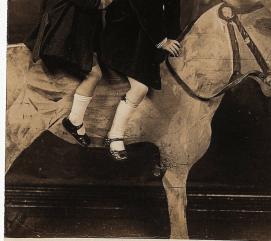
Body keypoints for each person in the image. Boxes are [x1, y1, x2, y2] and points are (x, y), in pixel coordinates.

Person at [101, 0, 182, 161]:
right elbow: (145, 7)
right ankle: (115, 135)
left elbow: (173, 9)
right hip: (125, 33)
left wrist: (173, 39)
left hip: (146, 36)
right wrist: (162, 41)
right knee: (140, 88)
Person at [25, 0, 112, 147]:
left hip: (62, 34)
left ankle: (75, 122)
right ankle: (74, 122)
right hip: (60, 37)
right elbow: (96, 4)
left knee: (95, 73)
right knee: (95, 74)